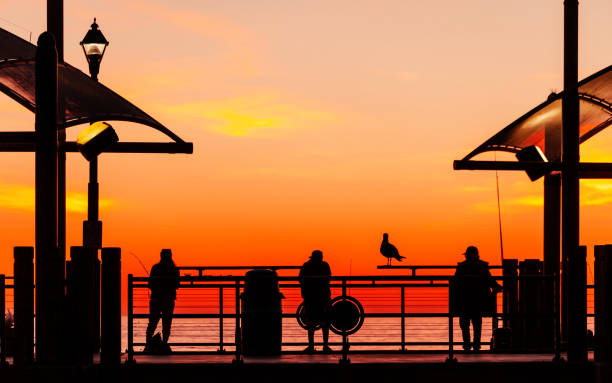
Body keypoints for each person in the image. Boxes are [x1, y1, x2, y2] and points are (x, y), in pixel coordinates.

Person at [453, 246, 502, 351]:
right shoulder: (482, 266)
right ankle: (476, 345)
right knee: (477, 324)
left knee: (465, 324)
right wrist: (496, 287)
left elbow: (455, 283)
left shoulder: (462, 267)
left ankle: (467, 345)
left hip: (465, 301)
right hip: (479, 301)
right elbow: (490, 280)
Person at [145, 248, 180, 351]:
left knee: (152, 321)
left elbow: (150, 284)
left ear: (161, 256)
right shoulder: (174, 269)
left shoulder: (155, 267)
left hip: (156, 298)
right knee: (167, 322)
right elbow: (177, 285)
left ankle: (148, 343)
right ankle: (164, 343)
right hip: (169, 299)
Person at [299, 250, 332, 353]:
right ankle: (325, 346)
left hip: (310, 297)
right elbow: (329, 278)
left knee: (311, 322)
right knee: (325, 322)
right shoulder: (325, 265)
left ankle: (311, 346)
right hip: (323, 296)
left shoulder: (306, 266)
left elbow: (300, 279)